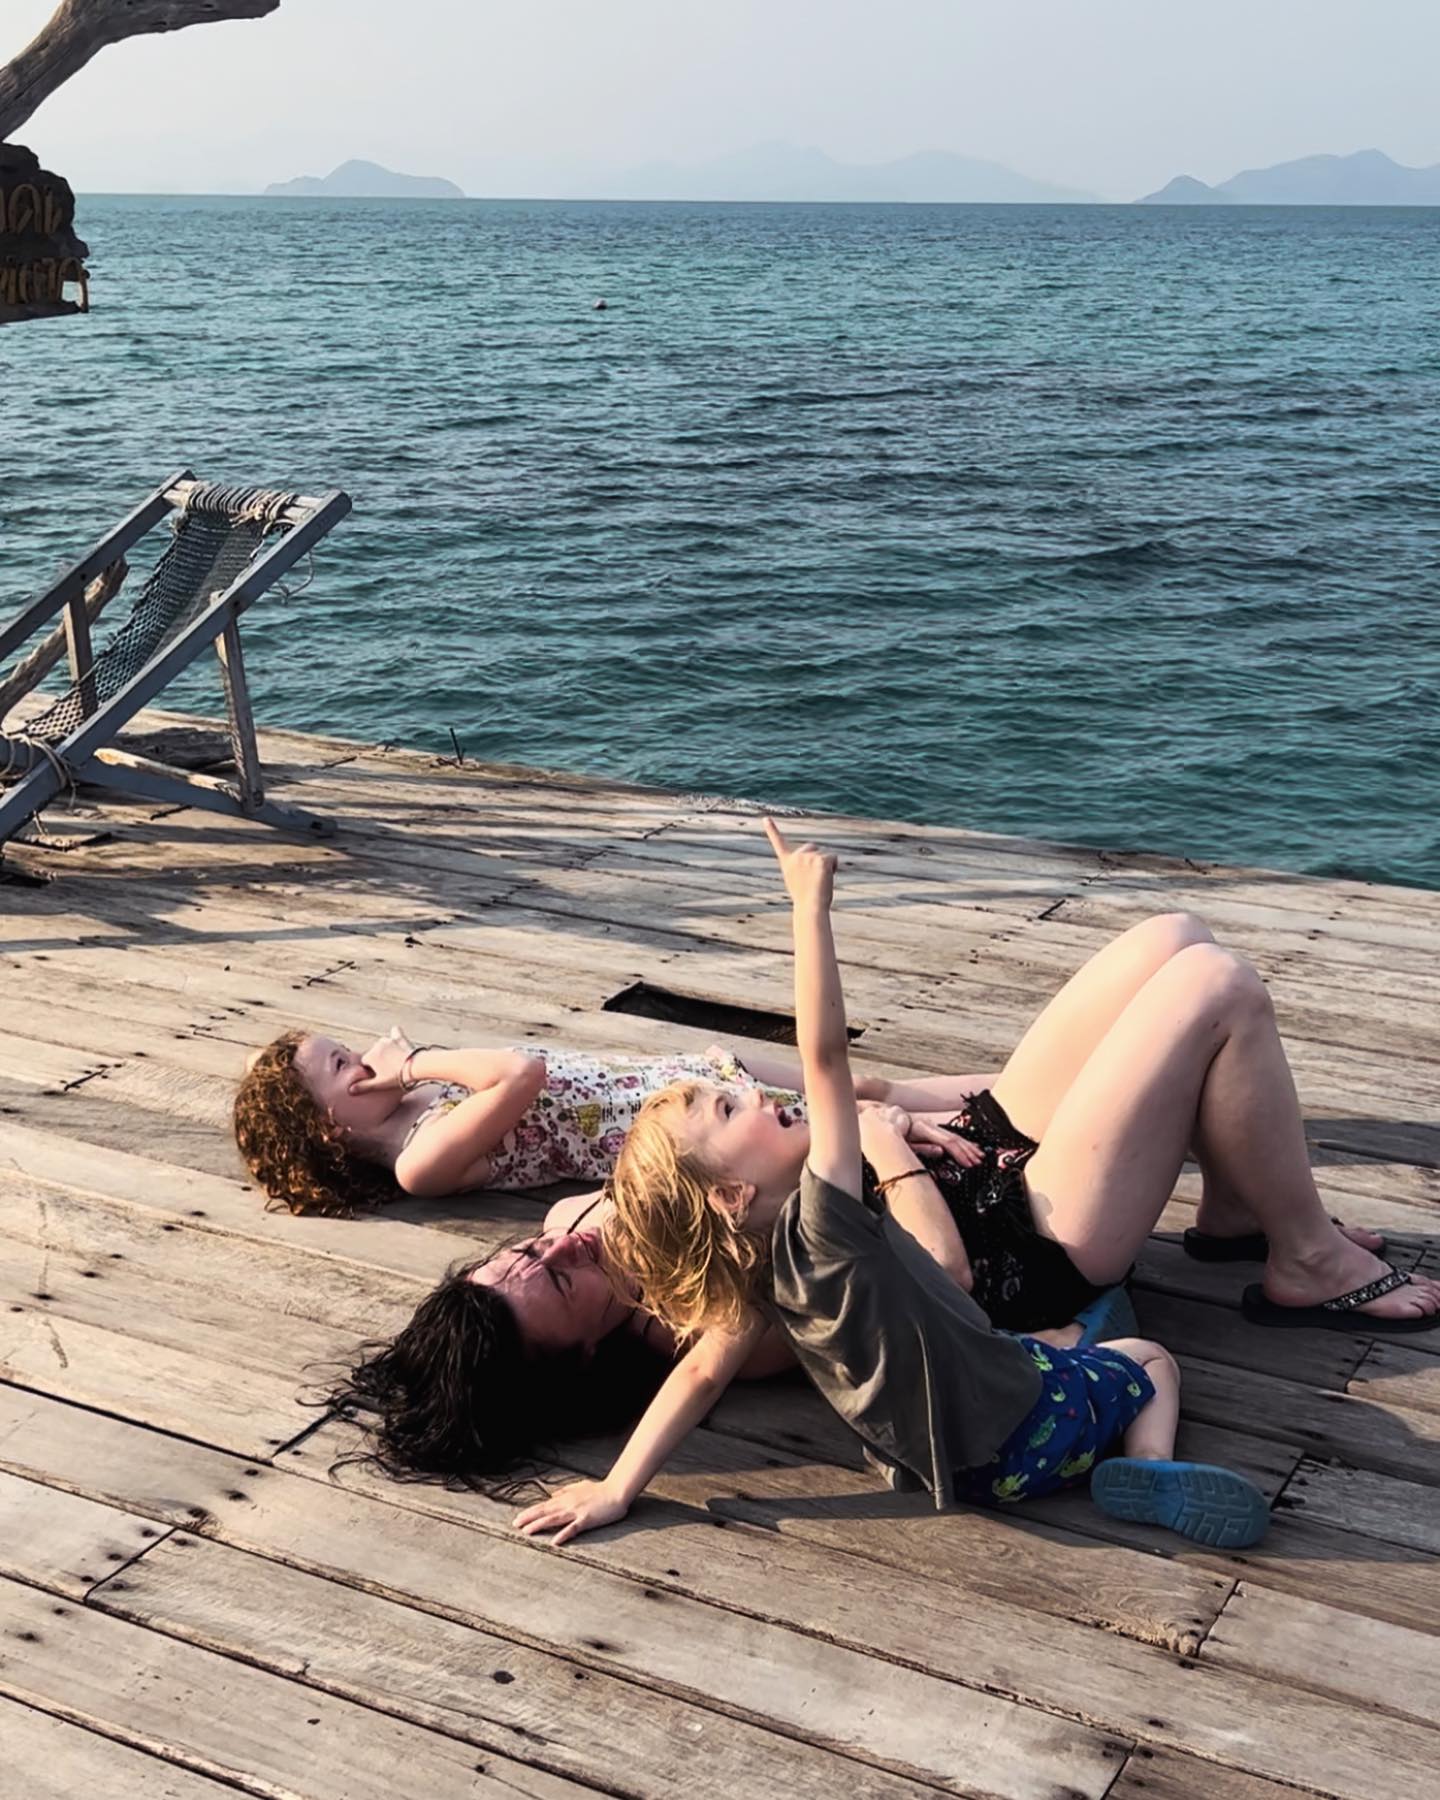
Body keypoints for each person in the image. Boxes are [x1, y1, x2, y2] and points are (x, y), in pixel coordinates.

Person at [513, 821, 1272, 1547]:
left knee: (1055, 1341)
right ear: (732, 1196)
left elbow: (701, 1376)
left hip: (942, 1465)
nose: (755, 1097)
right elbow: (824, 1058)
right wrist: (809, 909)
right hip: (1024, 1439)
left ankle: (1074, 1351)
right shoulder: (824, 1217)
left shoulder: (756, 1272)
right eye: (730, 1109)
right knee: (1150, 1360)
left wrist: (617, 1487)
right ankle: (1147, 1463)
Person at [233, 1030, 810, 1216]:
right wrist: (412, 1064)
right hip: (669, 1125)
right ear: (329, 1128)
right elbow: (520, 1075)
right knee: (837, 1118)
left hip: (654, 1078)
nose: (363, 1061)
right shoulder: (419, 1159)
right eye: (343, 1066)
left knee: (849, 1084)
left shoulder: (415, 1096)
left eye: (348, 1050)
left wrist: (411, 1071)